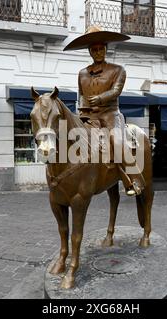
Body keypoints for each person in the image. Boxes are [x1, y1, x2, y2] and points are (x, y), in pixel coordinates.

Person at [63, 25, 141, 196]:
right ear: (90, 52)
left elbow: (116, 91)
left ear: (106, 49)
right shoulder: (82, 73)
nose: (98, 52)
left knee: (117, 141)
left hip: (110, 114)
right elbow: (81, 95)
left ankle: (133, 179)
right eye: (94, 49)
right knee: (70, 140)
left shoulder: (118, 70)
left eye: (101, 48)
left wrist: (100, 98)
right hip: (89, 117)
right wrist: (80, 113)